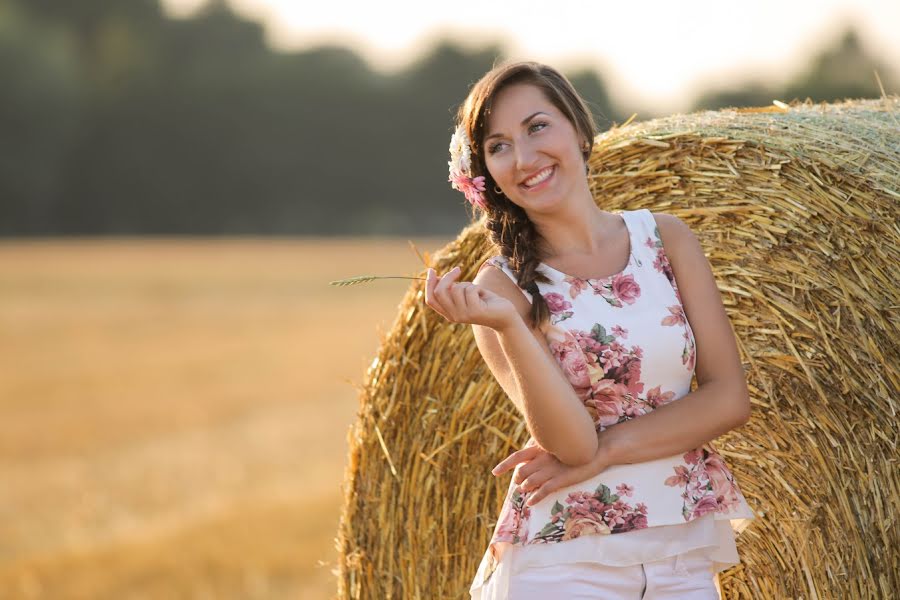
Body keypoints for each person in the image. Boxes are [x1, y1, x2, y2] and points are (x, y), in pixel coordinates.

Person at [424, 61, 756, 600]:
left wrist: (608, 451)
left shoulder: (665, 239)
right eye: (498, 146)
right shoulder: (501, 291)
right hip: (566, 562)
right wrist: (509, 325)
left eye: (536, 127)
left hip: (683, 556)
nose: (525, 158)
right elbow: (573, 446)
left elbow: (729, 399)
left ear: (579, 130)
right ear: (484, 172)